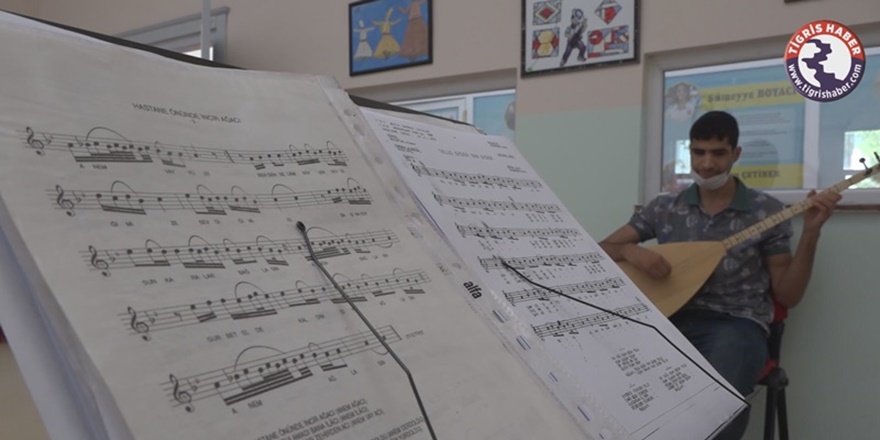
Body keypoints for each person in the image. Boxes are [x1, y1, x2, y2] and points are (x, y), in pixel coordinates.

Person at [598, 110, 841, 439]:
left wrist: (811, 232)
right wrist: (632, 252)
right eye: (698, 152)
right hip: (669, 318)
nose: (707, 163)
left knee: (715, 406)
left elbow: (788, 295)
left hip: (736, 324)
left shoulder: (766, 211)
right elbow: (601, 249)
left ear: (735, 154)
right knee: (618, 384)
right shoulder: (664, 208)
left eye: (718, 153)